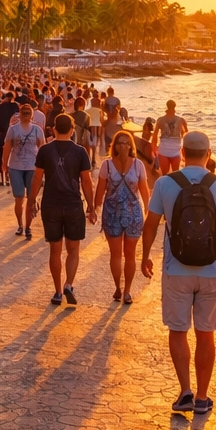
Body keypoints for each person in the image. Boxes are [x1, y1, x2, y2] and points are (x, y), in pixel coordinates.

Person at [141, 131, 216, 416]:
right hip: (212, 271)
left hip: (177, 270)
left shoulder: (164, 184)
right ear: (209, 154)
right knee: (205, 334)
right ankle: (202, 397)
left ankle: (184, 390)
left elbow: (151, 225)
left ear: (182, 153)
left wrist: (146, 256)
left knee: (178, 331)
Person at [27, 113, 94, 306]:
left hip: (51, 205)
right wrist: (91, 206)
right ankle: (69, 285)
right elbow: (86, 181)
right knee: (73, 250)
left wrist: (31, 201)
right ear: (72, 130)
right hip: (73, 205)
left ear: (54, 129)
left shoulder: (45, 151)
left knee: (54, 251)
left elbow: (37, 178)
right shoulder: (81, 152)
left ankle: (57, 291)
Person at [90, 130, 150, 303]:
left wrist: (95, 209)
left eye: (124, 143)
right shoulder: (138, 165)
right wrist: (148, 210)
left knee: (116, 254)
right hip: (133, 213)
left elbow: (100, 191)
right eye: (121, 143)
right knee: (128, 255)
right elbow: (144, 191)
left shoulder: (107, 165)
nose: (123, 146)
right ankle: (127, 292)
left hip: (112, 213)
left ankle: (119, 288)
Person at [3, 103, 45, 239]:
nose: (26, 115)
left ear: (32, 115)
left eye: (28, 113)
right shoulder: (13, 129)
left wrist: (43, 167)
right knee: (19, 198)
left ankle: (28, 227)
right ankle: (20, 225)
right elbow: (7, 147)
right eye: (24, 113)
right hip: (16, 167)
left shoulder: (37, 130)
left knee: (30, 199)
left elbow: (42, 148)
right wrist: (4, 163)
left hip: (32, 167)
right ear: (19, 114)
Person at [156, 101, 187, 175]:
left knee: (165, 174)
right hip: (175, 150)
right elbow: (186, 136)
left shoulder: (160, 120)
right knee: (175, 175)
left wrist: (154, 149)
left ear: (167, 106)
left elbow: (154, 136)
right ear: (174, 107)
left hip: (164, 150)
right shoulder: (181, 120)